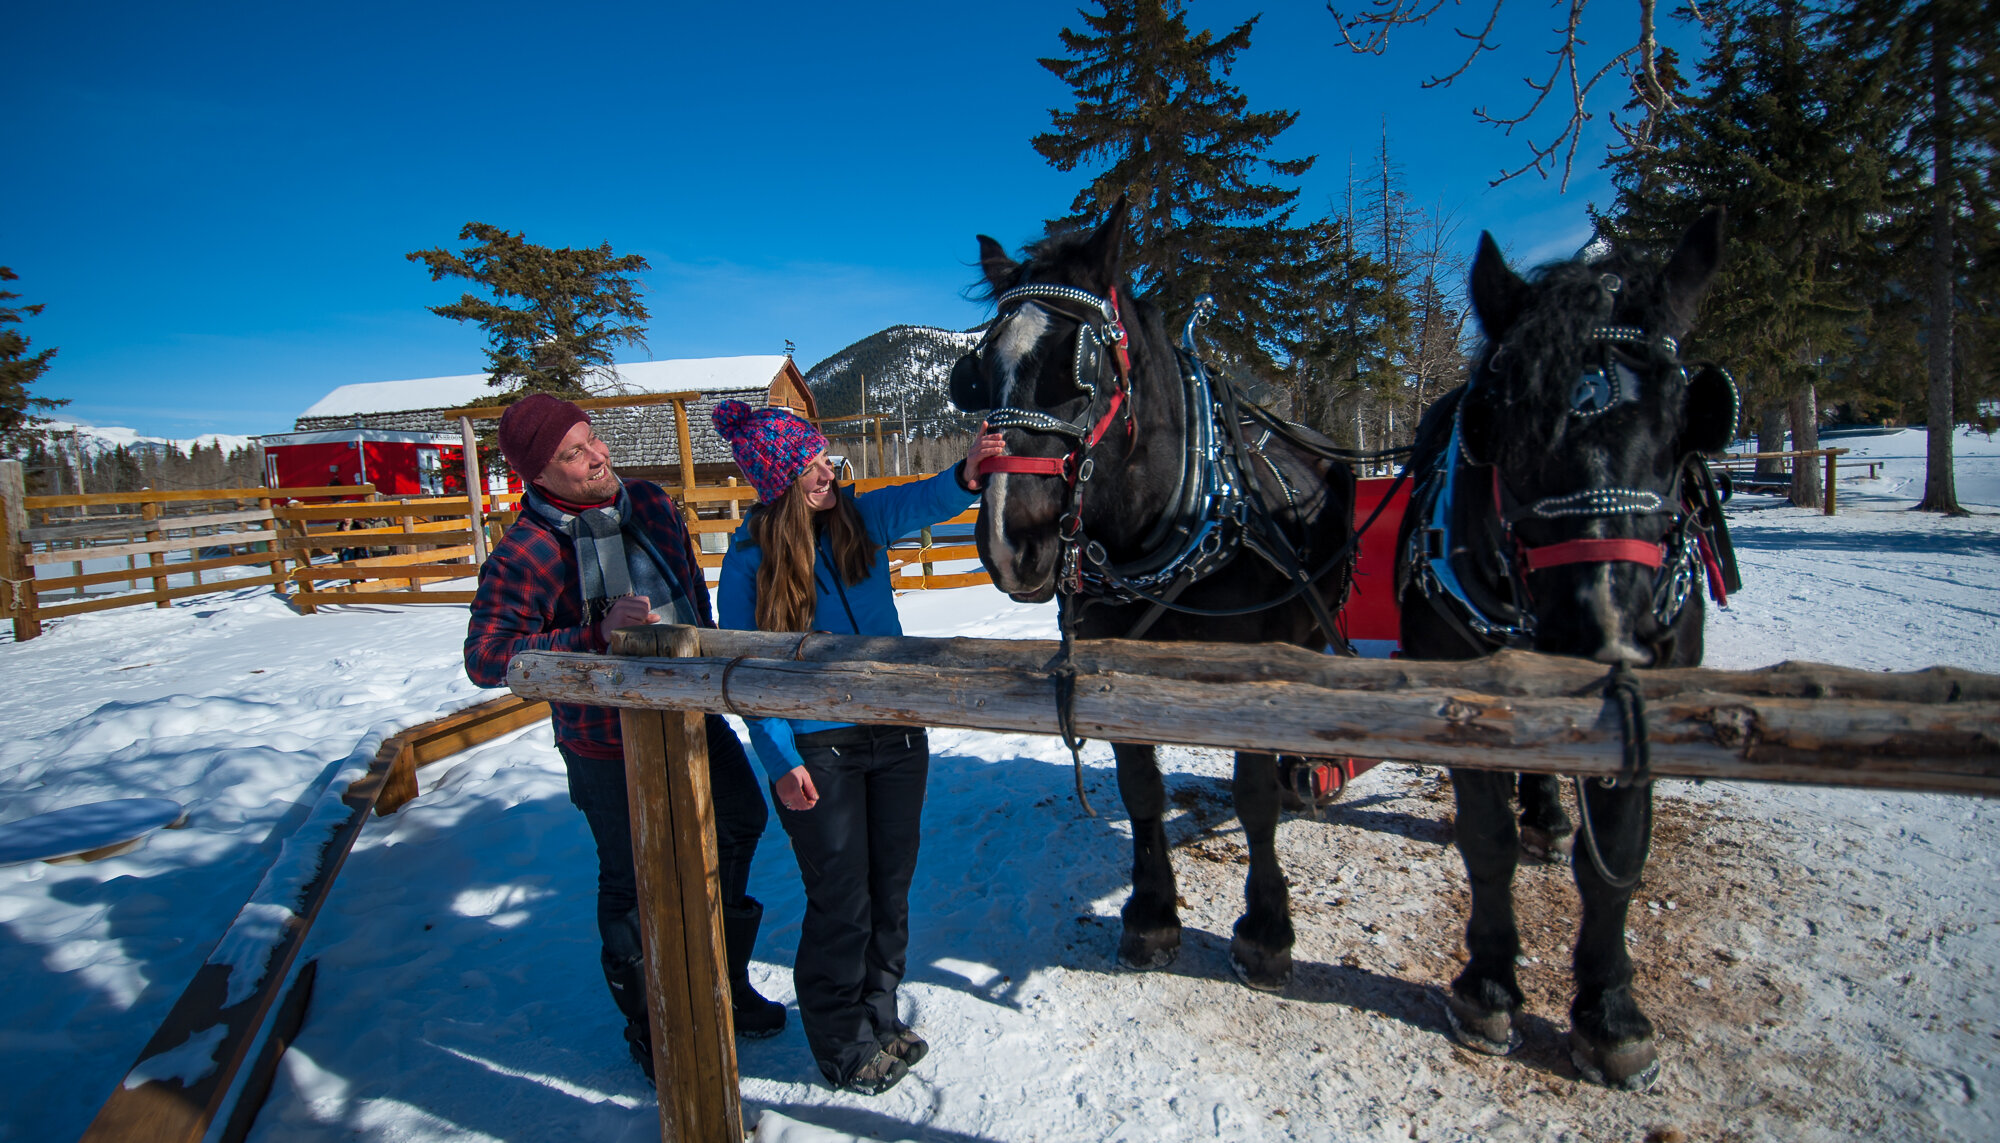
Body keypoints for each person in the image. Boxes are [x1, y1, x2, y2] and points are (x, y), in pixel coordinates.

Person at [464, 393, 786, 1080]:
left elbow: (689, 589)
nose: (594, 458)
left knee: (738, 822)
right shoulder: (527, 550)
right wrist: (591, 637)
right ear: (538, 475)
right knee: (631, 879)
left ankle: (720, 984)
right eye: (571, 455)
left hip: (690, 712)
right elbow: (486, 657)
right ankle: (655, 1024)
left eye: (592, 440)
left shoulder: (650, 503)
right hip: (602, 743)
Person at [710, 400, 1004, 1096]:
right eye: (810, 467)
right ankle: (841, 1039)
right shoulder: (749, 563)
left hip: (897, 734)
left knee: (889, 889)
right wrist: (780, 761)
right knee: (841, 897)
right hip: (819, 750)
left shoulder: (857, 525)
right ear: (777, 480)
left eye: (826, 462)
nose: (826, 476)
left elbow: (919, 501)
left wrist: (965, 472)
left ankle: (879, 1011)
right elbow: (747, 676)